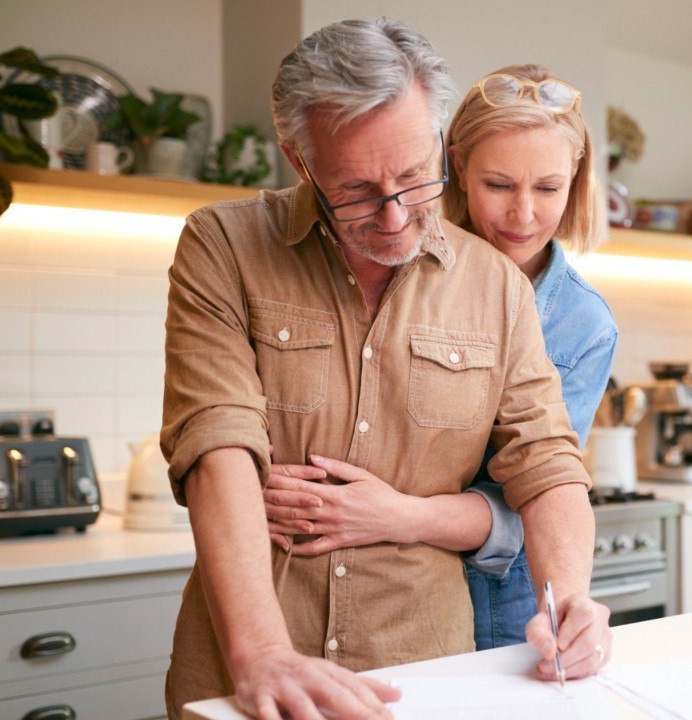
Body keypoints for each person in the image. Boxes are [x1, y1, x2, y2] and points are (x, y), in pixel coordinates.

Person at [160, 18, 610, 720]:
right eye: (359, 189)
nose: (397, 216)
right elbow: (216, 440)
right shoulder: (223, 245)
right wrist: (262, 654)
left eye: (412, 177)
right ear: (299, 160)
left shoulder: (496, 284)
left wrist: (573, 601)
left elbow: (546, 461)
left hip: (426, 674)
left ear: (440, 147)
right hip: (245, 673)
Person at [262, 64, 618, 652]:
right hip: (361, 593)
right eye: (498, 185)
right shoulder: (387, 252)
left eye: (548, 188)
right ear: (450, 166)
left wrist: (396, 513)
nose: (523, 214)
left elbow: (532, 491)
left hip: (503, 597)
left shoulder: (584, 323)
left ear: (577, 182)